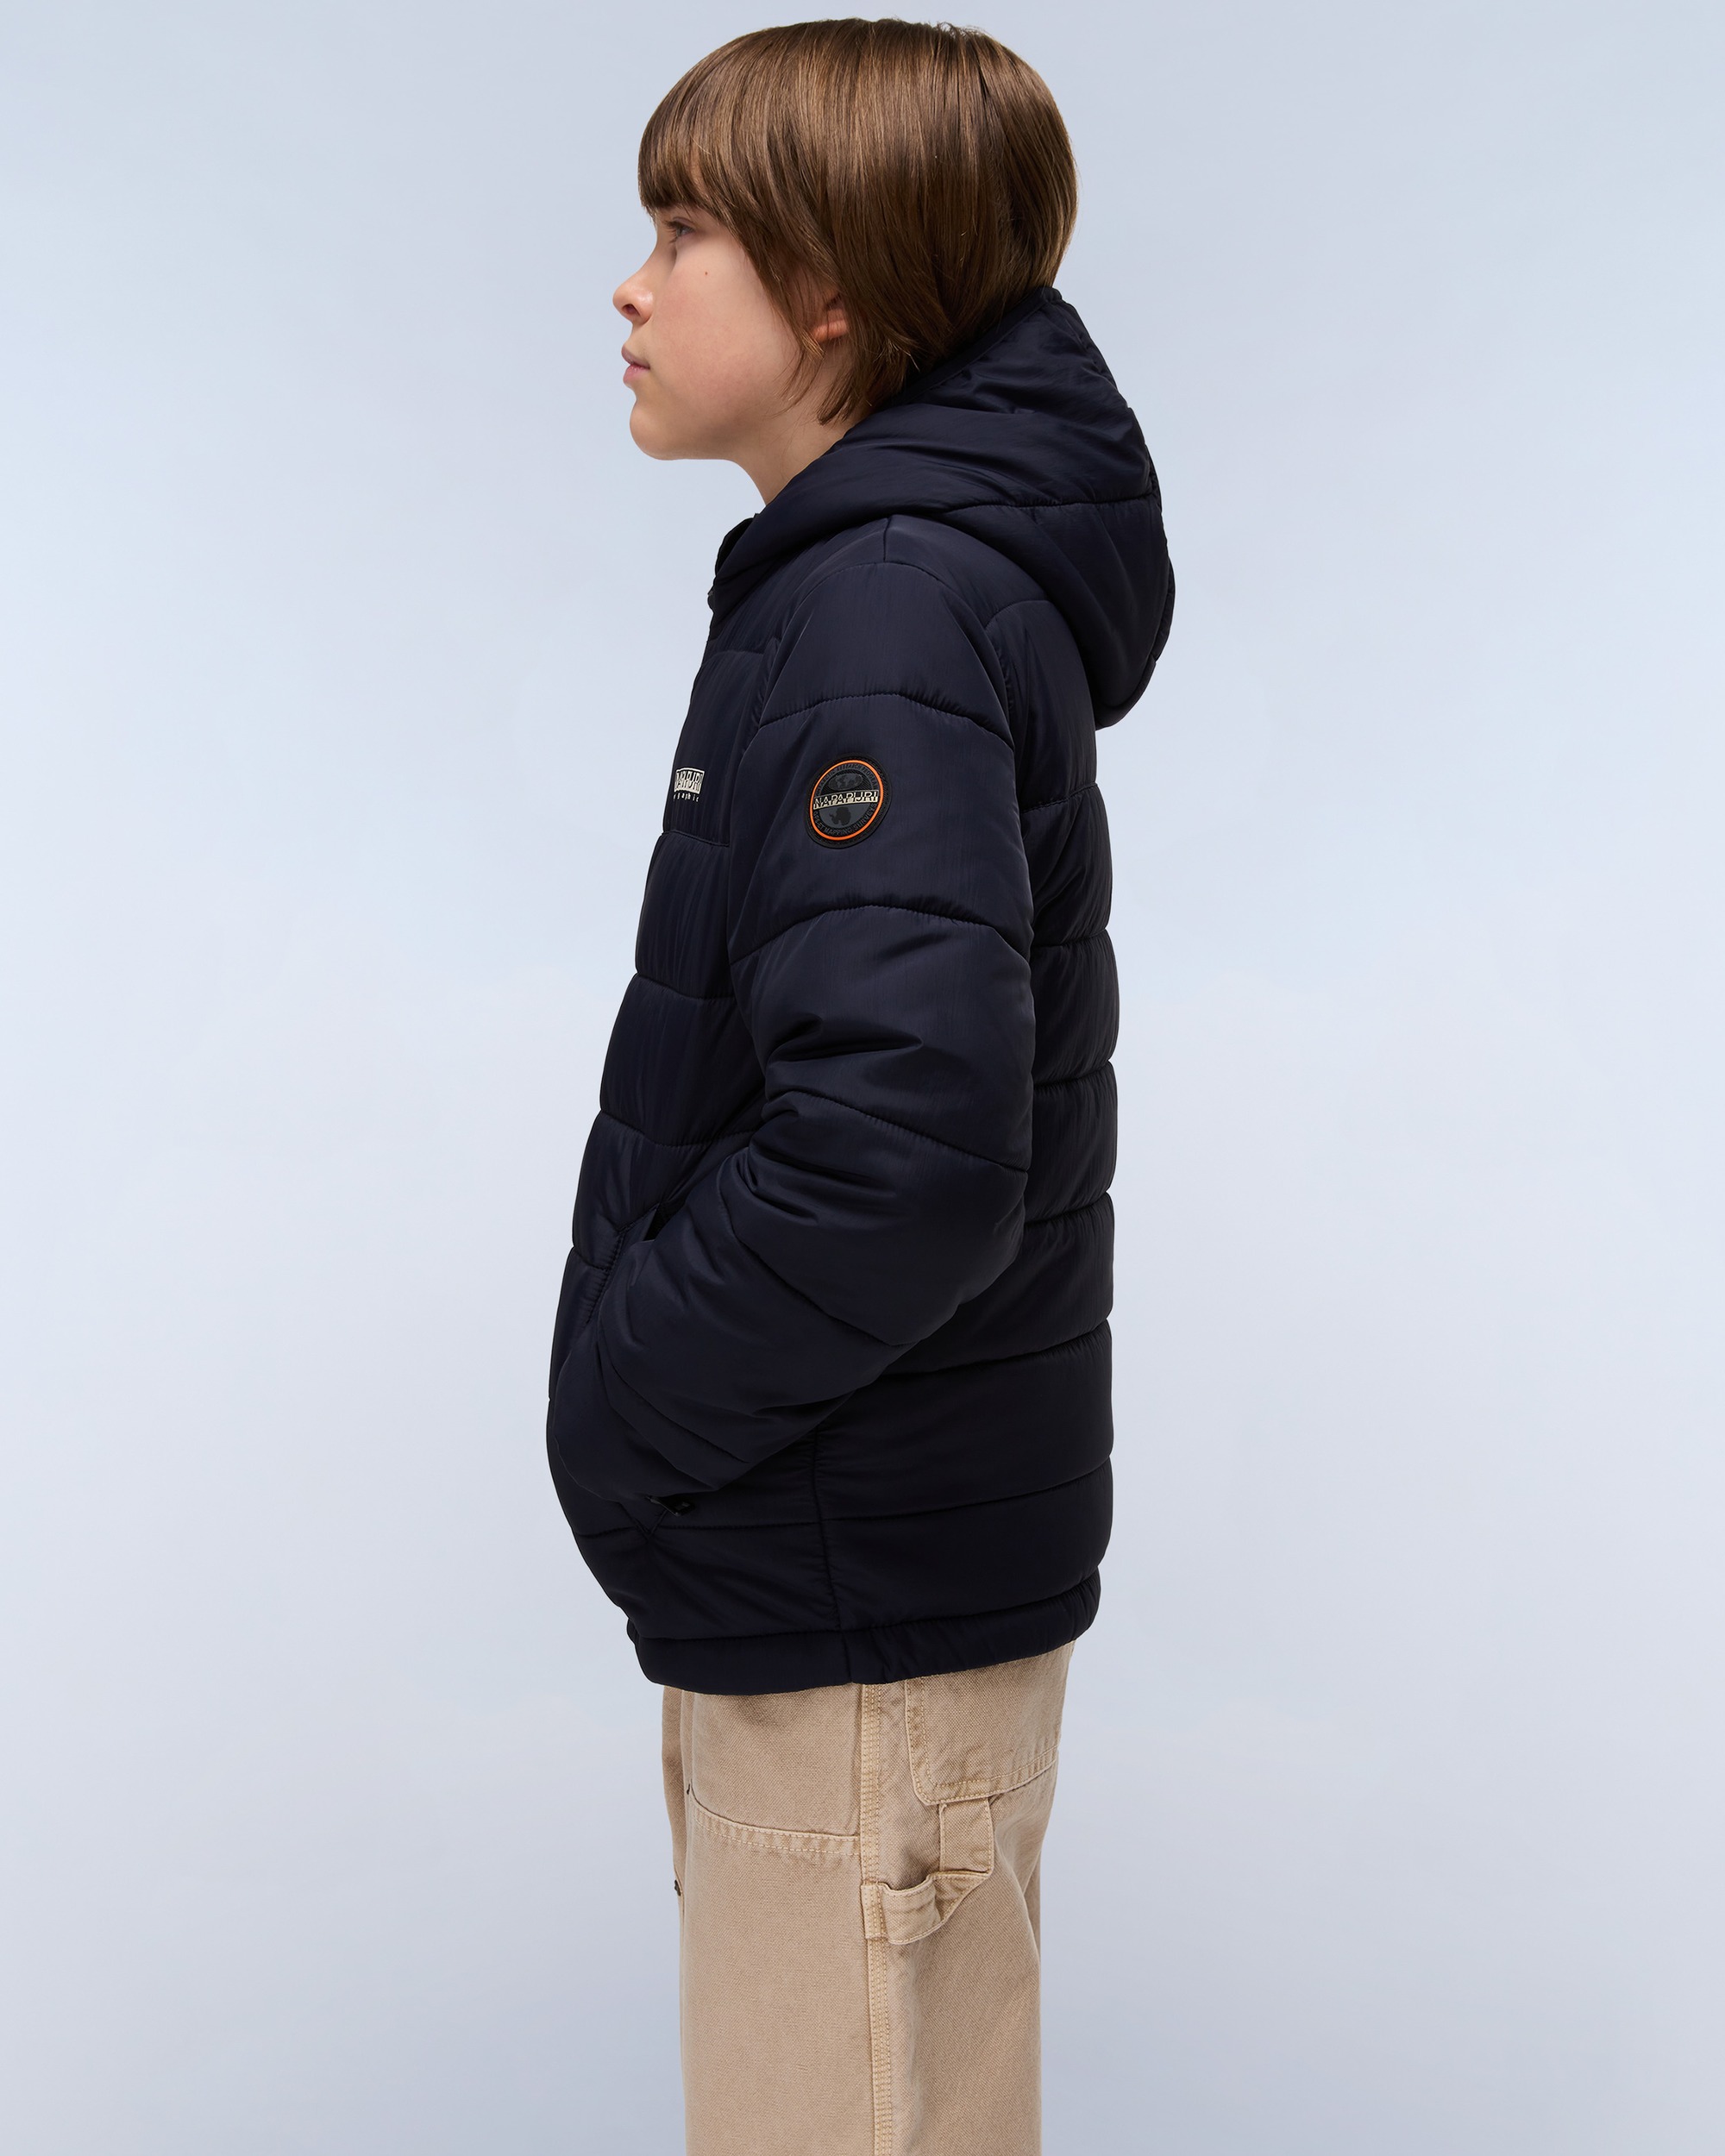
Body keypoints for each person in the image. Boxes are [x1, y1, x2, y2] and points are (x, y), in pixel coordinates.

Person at [546, 21, 1173, 2154]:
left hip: (853, 1611)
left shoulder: (884, 610)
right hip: (854, 1589)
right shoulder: (877, 584)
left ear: (829, 291)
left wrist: (625, 1406)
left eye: (682, 232)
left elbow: (897, 1158)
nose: (632, 284)